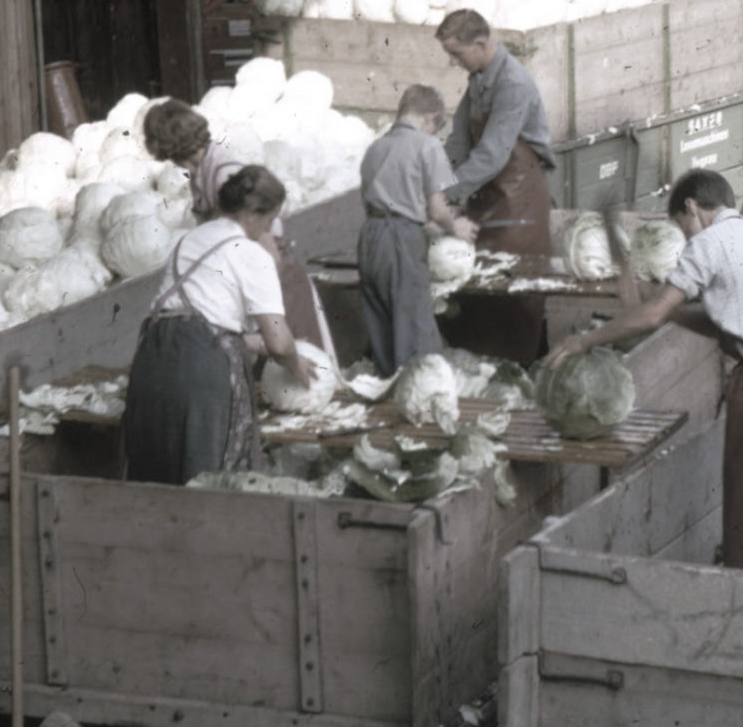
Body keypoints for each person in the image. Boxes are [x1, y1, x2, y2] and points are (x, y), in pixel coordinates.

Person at [544, 169, 743, 576]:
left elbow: (649, 316)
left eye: (681, 226)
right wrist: (664, 310)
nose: (684, 237)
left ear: (692, 208)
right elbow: (726, 322)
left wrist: (583, 342)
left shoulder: (708, 242)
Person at [119, 166, 317, 485]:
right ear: (253, 214)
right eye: (269, 220)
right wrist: (295, 363)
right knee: (205, 476)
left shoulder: (191, 239)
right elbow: (280, 342)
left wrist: (255, 343)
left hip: (153, 360)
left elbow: (203, 317)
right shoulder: (251, 254)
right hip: (200, 371)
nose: (269, 228)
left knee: (156, 471)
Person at [144, 101, 336, 364]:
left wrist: (268, 304)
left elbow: (263, 239)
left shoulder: (225, 174)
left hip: (275, 275)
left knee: (300, 362)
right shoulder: (202, 171)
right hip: (252, 279)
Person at [435, 9, 556, 364]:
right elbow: (459, 141)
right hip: (488, 194)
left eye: (457, 54)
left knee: (515, 288)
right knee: (480, 288)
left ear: (482, 43)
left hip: (519, 199)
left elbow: (491, 156)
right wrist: (437, 182)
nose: (454, 62)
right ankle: (487, 367)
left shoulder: (512, 84)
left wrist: (448, 194)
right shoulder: (478, 78)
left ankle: (527, 366)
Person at [358, 84, 478, 376]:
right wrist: (456, 226)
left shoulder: (376, 148)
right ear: (430, 118)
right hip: (401, 239)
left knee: (383, 330)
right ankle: (422, 397)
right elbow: (437, 211)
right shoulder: (428, 146)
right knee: (414, 329)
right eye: (435, 128)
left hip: (370, 236)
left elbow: (379, 200)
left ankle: (389, 394)